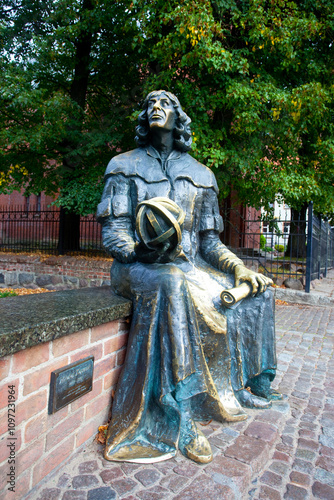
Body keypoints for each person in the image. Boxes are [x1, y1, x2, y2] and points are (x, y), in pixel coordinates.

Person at [97, 90, 281, 465]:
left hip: (188, 268)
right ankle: (177, 413)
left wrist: (239, 269)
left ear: (179, 118)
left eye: (165, 104)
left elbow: (210, 245)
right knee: (170, 281)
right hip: (136, 268)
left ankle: (250, 384)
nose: (156, 108)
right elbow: (114, 236)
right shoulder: (122, 165)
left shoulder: (201, 175)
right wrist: (142, 251)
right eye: (149, 104)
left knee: (258, 293)